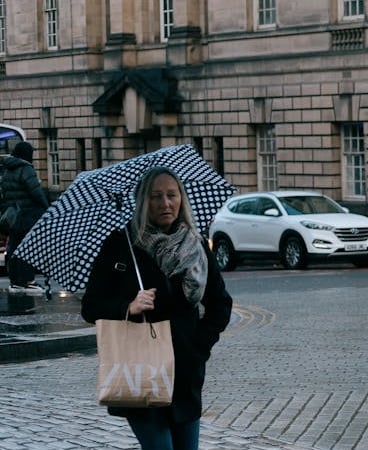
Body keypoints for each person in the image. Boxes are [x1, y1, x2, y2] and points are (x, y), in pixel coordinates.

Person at [80, 167, 233, 450]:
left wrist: (200, 348)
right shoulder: (121, 245)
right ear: (142, 202)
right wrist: (129, 305)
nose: (165, 203)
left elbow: (220, 304)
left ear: (181, 199)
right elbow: (90, 307)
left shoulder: (195, 244)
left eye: (172, 195)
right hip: (141, 371)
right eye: (156, 197)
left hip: (185, 373)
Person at [1, 141, 50, 292]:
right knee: (28, 248)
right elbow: (35, 191)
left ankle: (15, 280)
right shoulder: (25, 168)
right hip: (28, 215)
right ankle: (28, 280)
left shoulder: (7, 169)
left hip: (12, 215)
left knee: (14, 247)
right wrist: (47, 208)